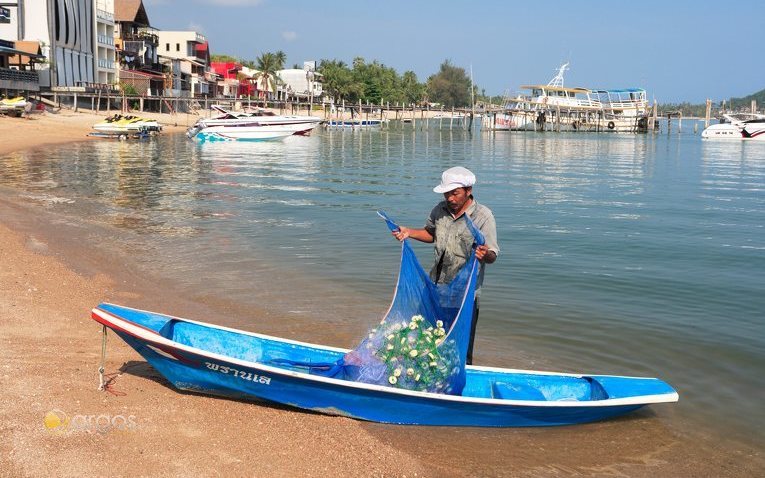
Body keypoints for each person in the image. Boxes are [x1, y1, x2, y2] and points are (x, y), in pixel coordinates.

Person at [393, 166, 499, 364]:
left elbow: (492, 254)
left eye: (455, 193)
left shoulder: (483, 217)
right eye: (446, 193)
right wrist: (409, 232)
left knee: (460, 350)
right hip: (436, 289)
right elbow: (431, 234)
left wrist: (485, 254)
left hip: (465, 296)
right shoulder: (439, 211)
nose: (450, 198)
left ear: (468, 191)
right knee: (427, 343)